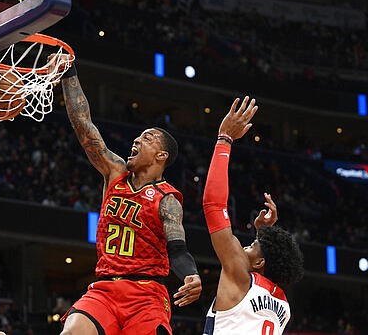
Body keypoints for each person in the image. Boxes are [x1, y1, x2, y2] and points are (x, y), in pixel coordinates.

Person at [48, 56, 202, 334]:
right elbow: (83, 125)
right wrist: (68, 72)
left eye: (147, 138)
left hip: (146, 294)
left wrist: (191, 275)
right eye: (139, 137)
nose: (136, 140)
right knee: (72, 332)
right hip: (105, 289)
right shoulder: (115, 173)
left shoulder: (167, 199)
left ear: (161, 155)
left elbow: (177, 249)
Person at [202, 96, 304, 334]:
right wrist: (264, 234)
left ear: (260, 263)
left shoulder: (239, 277)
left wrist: (224, 139)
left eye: (252, 244)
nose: (245, 245)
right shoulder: (283, 307)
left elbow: (214, 205)